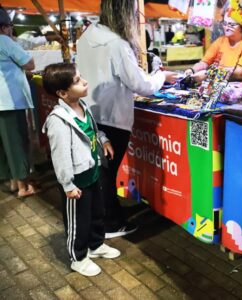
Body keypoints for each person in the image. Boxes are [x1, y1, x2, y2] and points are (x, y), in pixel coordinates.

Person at [76, 0, 177, 239]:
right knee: (106, 174)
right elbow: (141, 85)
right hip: (112, 118)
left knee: (101, 171)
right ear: (124, 13)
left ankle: (107, 218)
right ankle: (110, 223)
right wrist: (160, 75)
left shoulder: (87, 36)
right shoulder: (117, 44)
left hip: (91, 111)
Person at [42, 62, 120, 277]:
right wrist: (67, 184)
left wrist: (103, 140)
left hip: (92, 173)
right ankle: (78, 257)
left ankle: (95, 245)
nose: (84, 81)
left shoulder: (82, 106)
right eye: (77, 81)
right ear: (62, 92)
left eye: (80, 77)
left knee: (97, 213)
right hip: (76, 182)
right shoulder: (58, 121)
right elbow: (60, 157)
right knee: (78, 221)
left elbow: (92, 131)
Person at [0, 6, 39, 198]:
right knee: (17, 142)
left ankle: (14, 181)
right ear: (4, 27)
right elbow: (29, 63)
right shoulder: (4, 40)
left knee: (5, 143)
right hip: (10, 101)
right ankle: (24, 187)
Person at [184, 9, 242, 82]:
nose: (227, 28)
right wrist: (192, 70)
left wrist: (209, 74)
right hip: (219, 84)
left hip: (240, 88)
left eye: (231, 25)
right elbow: (205, 62)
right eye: (225, 23)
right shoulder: (221, 41)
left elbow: (239, 74)